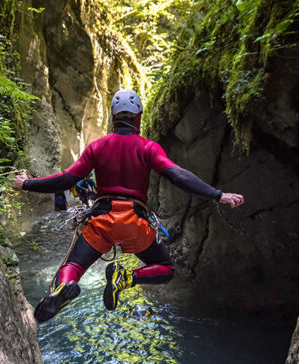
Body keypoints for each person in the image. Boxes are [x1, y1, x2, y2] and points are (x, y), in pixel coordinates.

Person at [13, 89, 244, 323]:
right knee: (165, 268)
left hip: (101, 221)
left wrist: (26, 184)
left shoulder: (97, 147)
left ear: (113, 117)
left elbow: (65, 180)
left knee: (73, 265)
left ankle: (65, 285)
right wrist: (218, 195)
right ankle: (126, 277)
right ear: (139, 117)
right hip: (135, 223)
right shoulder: (148, 147)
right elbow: (178, 175)